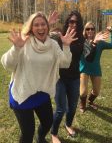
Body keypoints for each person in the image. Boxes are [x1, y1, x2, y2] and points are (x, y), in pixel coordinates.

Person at [2, 12, 77, 143]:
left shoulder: (52, 44)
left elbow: (65, 63)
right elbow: (6, 64)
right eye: (36, 25)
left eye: (43, 24)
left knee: (48, 122)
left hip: (42, 91)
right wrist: (16, 48)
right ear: (31, 28)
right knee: (27, 133)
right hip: (22, 92)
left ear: (48, 27)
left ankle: (40, 138)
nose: (40, 28)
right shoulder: (24, 42)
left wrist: (66, 46)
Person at [50, 11, 86, 142]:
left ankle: (68, 124)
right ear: (67, 22)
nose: (74, 24)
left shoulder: (82, 39)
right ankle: (54, 133)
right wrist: (49, 25)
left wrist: (94, 43)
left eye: (76, 22)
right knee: (60, 109)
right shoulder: (59, 36)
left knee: (72, 106)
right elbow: (43, 37)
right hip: (59, 77)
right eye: (71, 21)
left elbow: (89, 57)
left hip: (75, 78)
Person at [80, 24, 112, 112]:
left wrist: (111, 32)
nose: (90, 31)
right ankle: (82, 105)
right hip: (84, 68)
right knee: (83, 92)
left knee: (96, 91)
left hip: (95, 68)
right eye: (88, 29)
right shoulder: (82, 41)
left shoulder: (100, 42)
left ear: (94, 30)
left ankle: (90, 101)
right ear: (85, 30)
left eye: (92, 29)